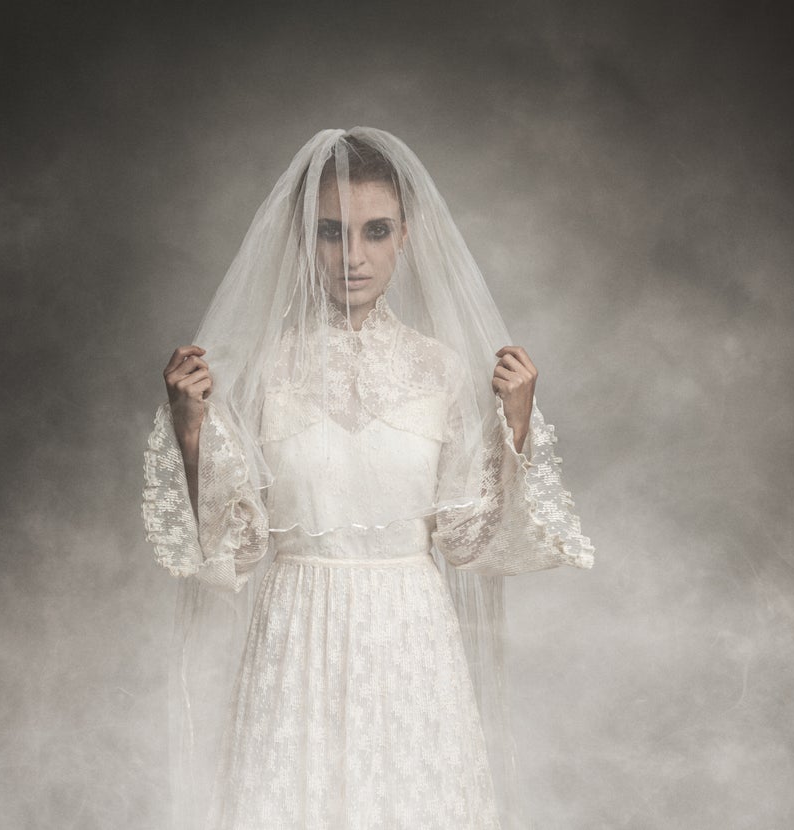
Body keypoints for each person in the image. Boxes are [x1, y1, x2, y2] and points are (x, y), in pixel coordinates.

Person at [142, 127, 594, 830]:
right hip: (295, 635)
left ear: (406, 236)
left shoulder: (443, 371)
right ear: (302, 239)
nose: (353, 257)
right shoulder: (259, 371)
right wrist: (192, 429)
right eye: (330, 233)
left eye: (375, 231)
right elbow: (229, 550)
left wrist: (518, 425)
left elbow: (474, 542)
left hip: (411, 642)